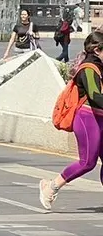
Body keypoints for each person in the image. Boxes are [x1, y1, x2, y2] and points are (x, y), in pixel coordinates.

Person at [41, 30, 103, 211]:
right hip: (87, 118)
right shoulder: (89, 68)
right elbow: (94, 96)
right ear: (97, 50)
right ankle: (51, 187)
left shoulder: (99, 67)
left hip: (99, 118)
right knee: (87, 162)